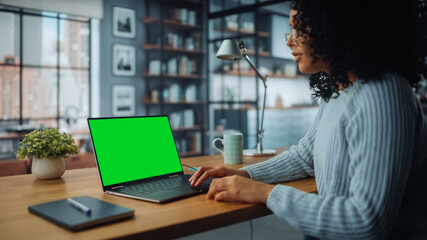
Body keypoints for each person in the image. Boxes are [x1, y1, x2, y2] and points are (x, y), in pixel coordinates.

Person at [189, 0, 427, 239]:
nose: (289, 40)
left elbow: (366, 220)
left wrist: (266, 193)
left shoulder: (382, 93)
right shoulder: (338, 93)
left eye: (299, 28)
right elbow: (304, 157)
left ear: (337, 26)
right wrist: (245, 175)